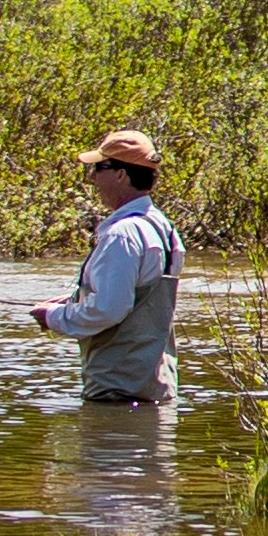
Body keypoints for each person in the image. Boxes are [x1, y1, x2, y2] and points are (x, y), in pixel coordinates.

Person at [29, 127, 186, 404]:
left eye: (98, 168)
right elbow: (137, 295)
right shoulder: (164, 227)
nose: (93, 178)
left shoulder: (122, 234)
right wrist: (71, 301)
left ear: (121, 174)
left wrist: (53, 317)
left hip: (117, 391)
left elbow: (109, 309)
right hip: (155, 386)